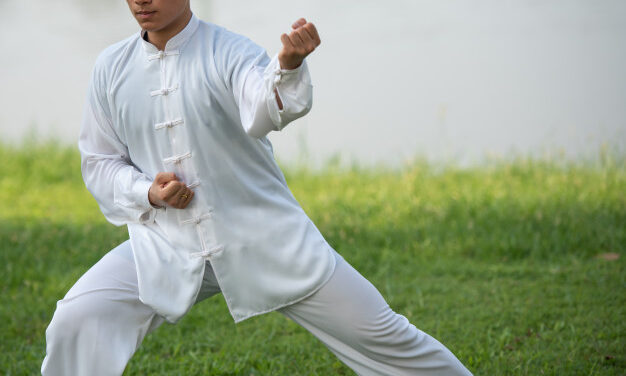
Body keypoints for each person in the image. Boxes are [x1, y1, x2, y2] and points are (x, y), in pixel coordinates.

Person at [41, 0, 473, 375]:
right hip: (164, 243)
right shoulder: (110, 68)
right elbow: (100, 162)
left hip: (266, 238)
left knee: (383, 335)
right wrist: (147, 192)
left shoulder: (229, 51)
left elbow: (264, 108)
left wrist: (287, 66)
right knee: (78, 317)